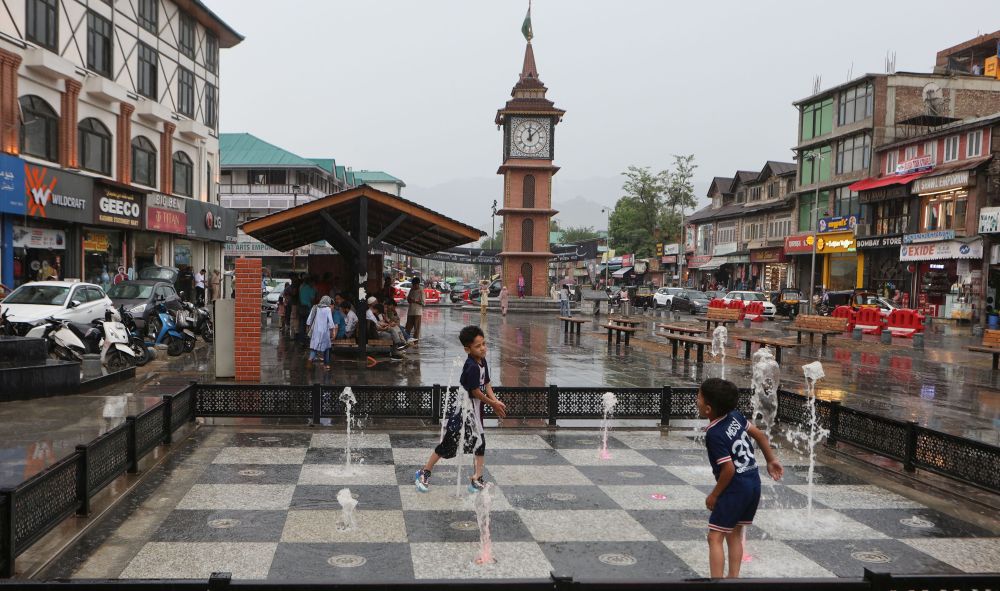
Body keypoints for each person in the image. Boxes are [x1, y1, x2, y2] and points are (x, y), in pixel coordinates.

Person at [696, 378, 783, 579]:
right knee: (734, 533)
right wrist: (771, 460)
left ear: (708, 409)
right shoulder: (735, 416)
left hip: (735, 489)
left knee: (714, 537)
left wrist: (714, 495)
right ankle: (733, 579)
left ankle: (717, 582)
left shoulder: (714, 433)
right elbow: (760, 435)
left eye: (698, 398)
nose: (696, 401)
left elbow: (728, 470)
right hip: (753, 482)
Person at [415, 325, 506, 493]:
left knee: (480, 443)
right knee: (448, 444)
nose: (483, 348)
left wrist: (495, 400)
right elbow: (476, 392)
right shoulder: (471, 366)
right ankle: (424, 472)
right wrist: (492, 404)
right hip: (463, 410)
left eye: (484, 344)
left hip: (476, 410)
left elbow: (486, 384)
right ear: (467, 349)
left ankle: (477, 478)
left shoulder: (482, 360)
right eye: (478, 346)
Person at [306, 296, 336, 369]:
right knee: (327, 348)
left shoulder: (315, 307)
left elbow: (309, 320)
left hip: (315, 332)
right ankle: (326, 364)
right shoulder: (328, 309)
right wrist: (333, 331)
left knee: (314, 348)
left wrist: (307, 328)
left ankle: (310, 360)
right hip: (325, 332)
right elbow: (330, 321)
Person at [298, 276, 316, 343]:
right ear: (311, 282)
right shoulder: (311, 289)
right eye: (313, 282)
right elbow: (312, 300)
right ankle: (308, 339)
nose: (314, 284)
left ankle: (301, 339)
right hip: (307, 308)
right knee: (309, 324)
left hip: (301, 307)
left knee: (301, 324)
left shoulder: (302, 288)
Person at [405, 276, 424, 341]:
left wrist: (415, 301)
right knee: (408, 327)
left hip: (417, 312)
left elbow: (423, 303)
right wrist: (410, 300)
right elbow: (408, 299)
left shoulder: (421, 291)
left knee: (416, 328)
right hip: (410, 311)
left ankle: (415, 341)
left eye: (415, 285)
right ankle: (407, 340)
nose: (414, 286)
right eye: (413, 285)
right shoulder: (411, 289)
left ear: (418, 284)